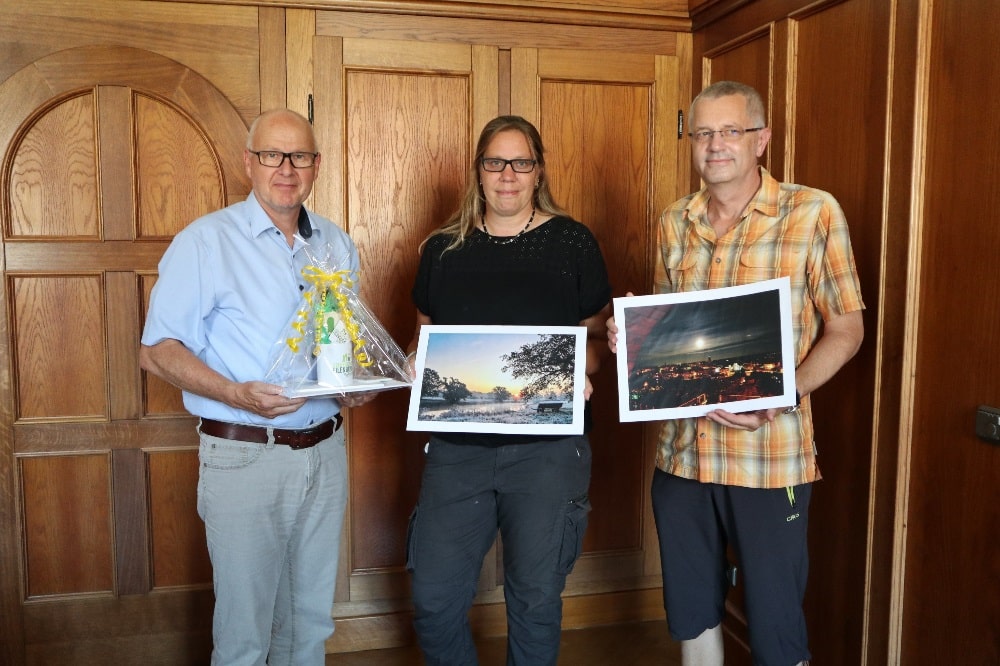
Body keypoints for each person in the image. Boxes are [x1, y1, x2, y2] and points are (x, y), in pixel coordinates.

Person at [608, 81, 865, 666]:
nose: (715, 144)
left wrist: (783, 394)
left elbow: (847, 329)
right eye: (703, 133)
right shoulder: (674, 220)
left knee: (776, 625)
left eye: (731, 131)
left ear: (761, 139)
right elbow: (669, 332)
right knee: (692, 613)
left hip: (769, 458)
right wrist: (633, 338)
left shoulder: (813, 211)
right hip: (682, 456)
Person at [140, 109, 374, 665]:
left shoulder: (336, 244)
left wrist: (353, 385)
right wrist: (234, 393)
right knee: (245, 635)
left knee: (309, 624)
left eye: (299, 156)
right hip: (245, 456)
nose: (286, 168)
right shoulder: (205, 242)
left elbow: (339, 342)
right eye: (273, 155)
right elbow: (156, 351)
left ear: (316, 165)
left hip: (326, 454)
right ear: (249, 162)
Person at [405, 115, 612, 665]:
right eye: (495, 162)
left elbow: (596, 337)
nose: (508, 175)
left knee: (535, 601)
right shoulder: (443, 249)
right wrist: (414, 363)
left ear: (538, 171)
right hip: (456, 453)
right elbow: (423, 335)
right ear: (478, 170)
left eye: (521, 163)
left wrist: (582, 369)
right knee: (433, 601)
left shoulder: (572, 242)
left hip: (549, 454)